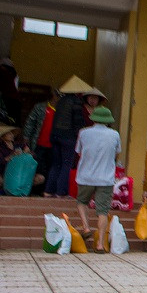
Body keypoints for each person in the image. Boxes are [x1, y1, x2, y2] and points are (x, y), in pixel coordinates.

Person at [73, 106, 120, 251]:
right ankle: (100, 244)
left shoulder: (83, 133)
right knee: (103, 212)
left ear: (94, 119)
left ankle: (86, 228)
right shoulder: (114, 134)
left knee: (81, 202)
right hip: (105, 178)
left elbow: (78, 152)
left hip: (85, 176)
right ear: (108, 120)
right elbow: (116, 155)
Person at [45, 75, 96, 197]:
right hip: (67, 138)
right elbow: (78, 123)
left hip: (55, 135)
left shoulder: (61, 101)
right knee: (66, 165)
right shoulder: (76, 102)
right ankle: (61, 192)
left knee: (56, 164)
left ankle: (48, 191)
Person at [22, 86, 59, 195]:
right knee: (37, 169)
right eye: (58, 96)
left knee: (50, 169)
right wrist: (26, 142)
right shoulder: (40, 107)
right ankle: (34, 192)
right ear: (54, 95)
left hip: (54, 145)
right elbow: (29, 124)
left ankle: (45, 191)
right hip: (38, 144)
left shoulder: (62, 111)